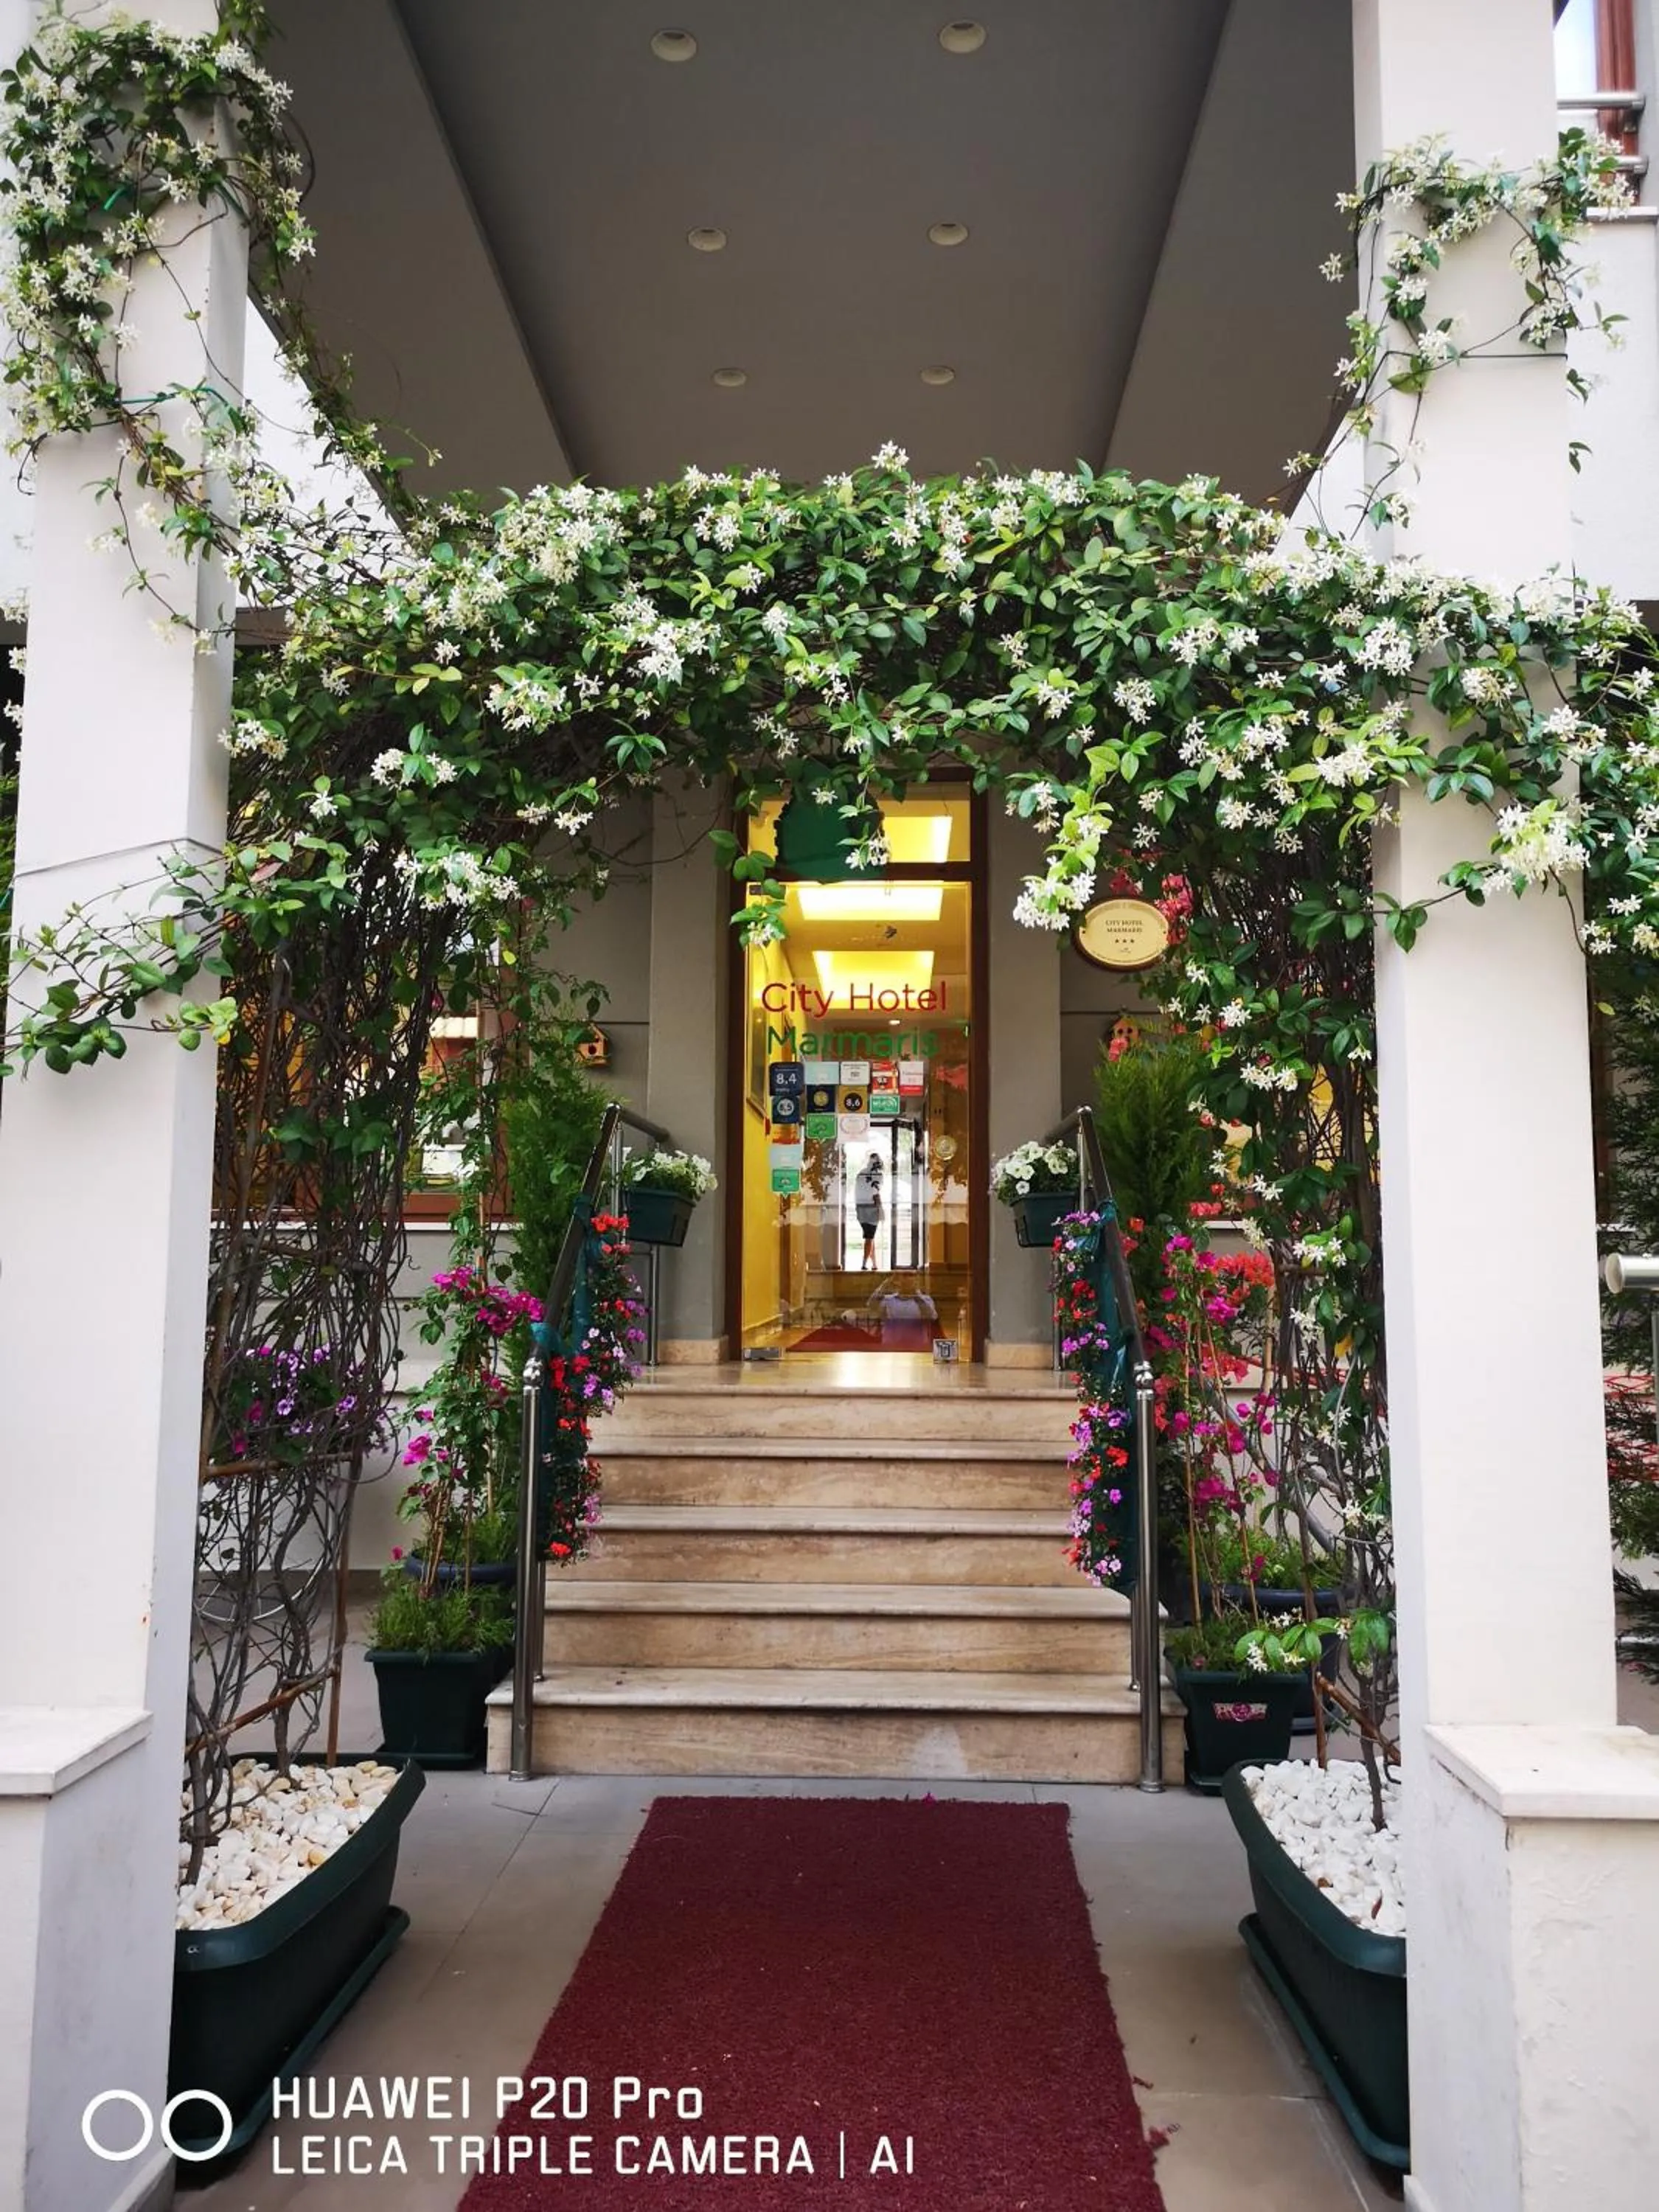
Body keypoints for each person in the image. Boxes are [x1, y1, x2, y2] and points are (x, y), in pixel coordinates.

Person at [852, 1152, 883, 1270]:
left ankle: (874, 1264)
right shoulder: (879, 1175)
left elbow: (857, 1191)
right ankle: (864, 1264)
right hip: (872, 1207)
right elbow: (877, 1191)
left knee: (870, 1236)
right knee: (869, 1238)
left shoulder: (861, 1173)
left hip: (860, 1207)